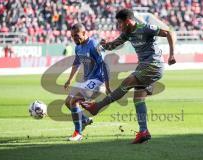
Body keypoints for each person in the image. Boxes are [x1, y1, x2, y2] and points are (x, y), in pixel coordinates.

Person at [80, 9, 176, 144]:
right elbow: (112, 45)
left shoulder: (145, 28)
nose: (119, 26)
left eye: (120, 23)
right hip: (144, 65)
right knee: (138, 98)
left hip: (154, 65)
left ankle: (97, 107)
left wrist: (171, 55)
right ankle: (143, 131)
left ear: (128, 21)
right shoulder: (127, 34)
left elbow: (168, 33)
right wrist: (104, 45)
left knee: (127, 82)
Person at [64, 23, 111, 141]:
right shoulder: (78, 47)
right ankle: (84, 120)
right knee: (68, 101)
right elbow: (76, 63)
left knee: (74, 101)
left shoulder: (94, 45)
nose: (74, 38)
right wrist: (69, 79)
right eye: (73, 36)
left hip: (97, 80)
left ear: (84, 33)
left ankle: (78, 133)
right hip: (86, 80)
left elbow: (104, 64)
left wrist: (107, 84)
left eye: (77, 35)